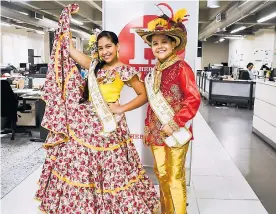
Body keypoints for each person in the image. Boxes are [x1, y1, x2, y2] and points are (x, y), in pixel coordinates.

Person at [35, 4, 159, 213]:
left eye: (108, 46)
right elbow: (70, 51)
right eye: (101, 48)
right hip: (86, 124)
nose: (105, 51)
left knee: (112, 169)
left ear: (118, 46)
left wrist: (122, 108)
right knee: (81, 165)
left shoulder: (126, 70)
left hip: (109, 127)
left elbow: (144, 95)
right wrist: (66, 21)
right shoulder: (93, 65)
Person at [136, 6, 201, 214]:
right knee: (161, 174)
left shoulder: (182, 68)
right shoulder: (153, 72)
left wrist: (175, 123)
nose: (159, 46)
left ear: (174, 44)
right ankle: (166, 211)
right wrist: (148, 127)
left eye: (164, 41)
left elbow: (193, 99)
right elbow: (151, 106)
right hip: (157, 134)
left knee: (175, 177)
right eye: (155, 43)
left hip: (175, 132)